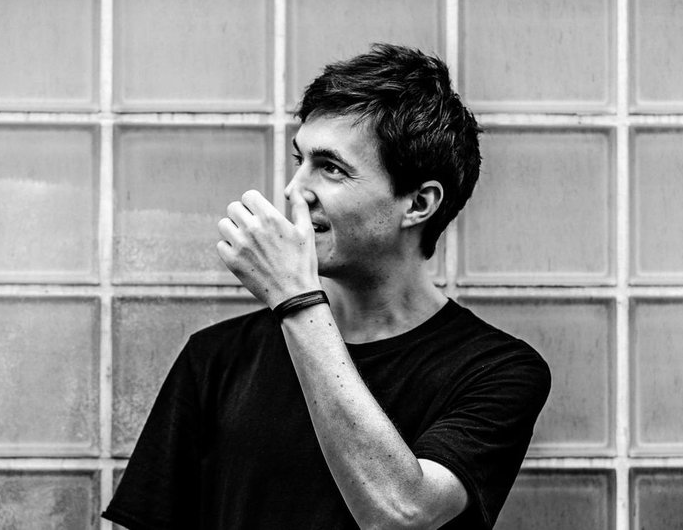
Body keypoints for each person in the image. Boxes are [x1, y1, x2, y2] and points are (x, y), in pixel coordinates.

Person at [103, 43, 550, 530]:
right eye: (300, 160)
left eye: (331, 168)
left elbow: (402, 513)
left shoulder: (499, 371)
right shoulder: (216, 358)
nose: (295, 189)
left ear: (418, 204)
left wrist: (294, 299)